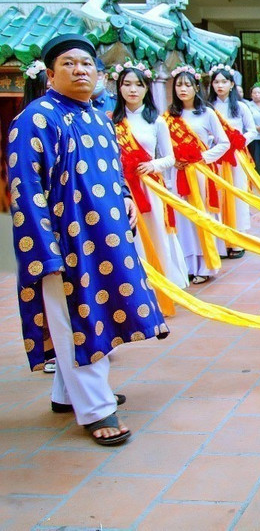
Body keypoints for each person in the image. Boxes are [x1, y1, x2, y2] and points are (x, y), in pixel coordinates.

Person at [9, 34, 168, 446]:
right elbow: (25, 190)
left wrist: (127, 197)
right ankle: (97, 409)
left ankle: (67, 394)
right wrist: (45, 251)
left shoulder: (97, 116)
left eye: (87, 63)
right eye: (69, 63)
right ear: (50, 74)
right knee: (79, 319)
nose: (80, 70)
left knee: (93, 311)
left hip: (105, 236)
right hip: (64, 244)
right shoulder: (34, 119)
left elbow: (112, 169)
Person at [111, 62, 189, 308]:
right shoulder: (109, 121)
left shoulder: (156, 121)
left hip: (149, 187)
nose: (132, 90)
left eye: (138, 84)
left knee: (155, 234)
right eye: (127, 84)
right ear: (119, 87)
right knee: (127, 238)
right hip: (121, 188)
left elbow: (170, 158)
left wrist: (152, 166)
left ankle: (160, 288)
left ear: (146, 89)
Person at [164, 66, 230, 284]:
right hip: (177, 172)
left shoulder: (207, 113)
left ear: (196, 87)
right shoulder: (168, 116)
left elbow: (224, 143)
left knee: (200, 217)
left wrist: (203, 157)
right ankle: (187, 265)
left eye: (187, 85)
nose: (183, 89)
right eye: (179, 85)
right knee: (182, 218)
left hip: (200, 173)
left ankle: (205, 265)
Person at [210, 66, 257, 257]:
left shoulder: (241, 107)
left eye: (224, 82)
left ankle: (238, 240)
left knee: (237, 196)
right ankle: (221, 241)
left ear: (231, 84)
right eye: (216, 82)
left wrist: (239, 142)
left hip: (236, 158)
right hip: (216, 158)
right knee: (218, 197)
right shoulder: (208, 108)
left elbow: (252, 130)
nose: (220, 86)